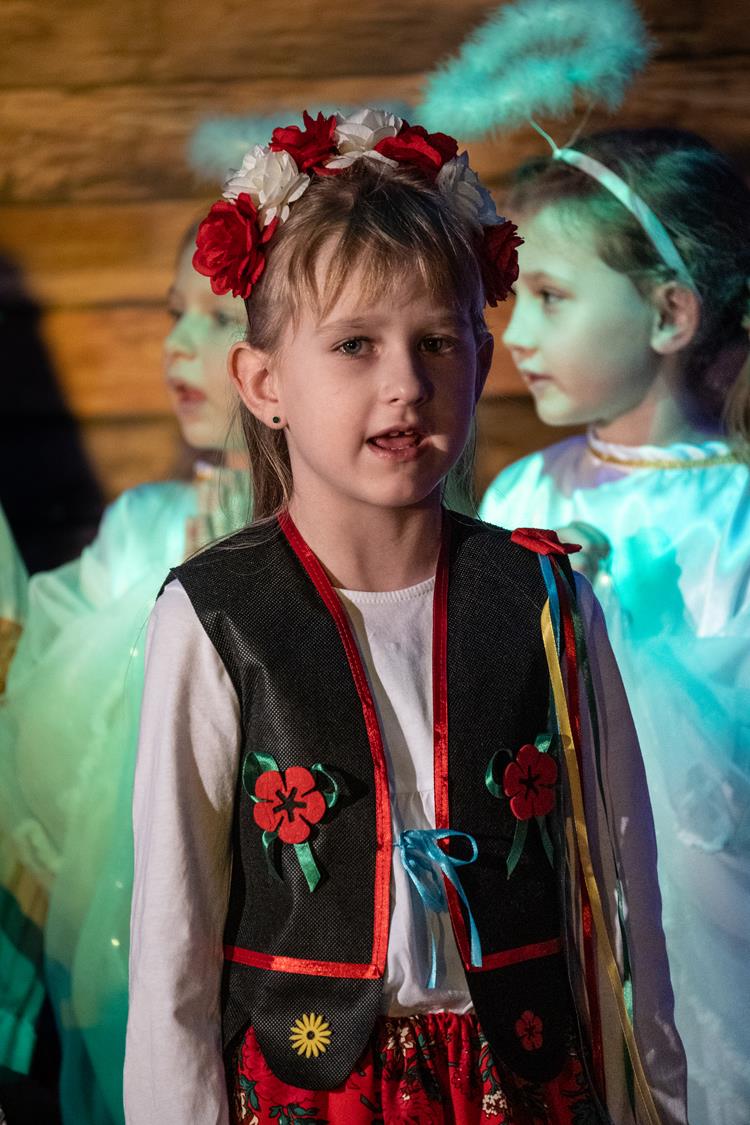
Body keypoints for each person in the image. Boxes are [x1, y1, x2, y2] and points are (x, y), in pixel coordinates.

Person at [125, 108, 687, 1125]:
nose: (405, 385)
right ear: (263, 382)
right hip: (311, 1090)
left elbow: (621, 894)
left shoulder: (544, 595)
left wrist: (655, 1097)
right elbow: (174, 939)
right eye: (354, 344)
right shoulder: (217, 615)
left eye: (436, 341)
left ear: (481, 357)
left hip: (526, 1082)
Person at [479, 126, 750, 1125]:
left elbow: (729, 751)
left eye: (552, 297)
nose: (515, 334)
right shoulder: (519, 495)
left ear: (670, 313)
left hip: (698, 927)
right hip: (553, 908)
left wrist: (614, 627)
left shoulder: (735, 513)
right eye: (518, 299)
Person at [0, 233, 251, 1124]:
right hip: (129, 924)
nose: (178, 344)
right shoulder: (144, 521)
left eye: (218, 317)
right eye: (175, 313)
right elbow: (45, 715)